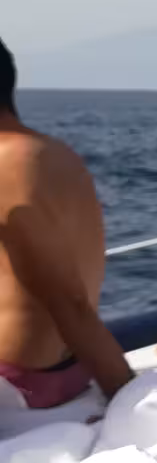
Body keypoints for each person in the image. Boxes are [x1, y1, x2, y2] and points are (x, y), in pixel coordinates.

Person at [0, 37, 132, 405]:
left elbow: (67, 299)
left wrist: (127, 398)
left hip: (18, 386)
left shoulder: (6, 163)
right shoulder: (57, 153)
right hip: (71, 372)